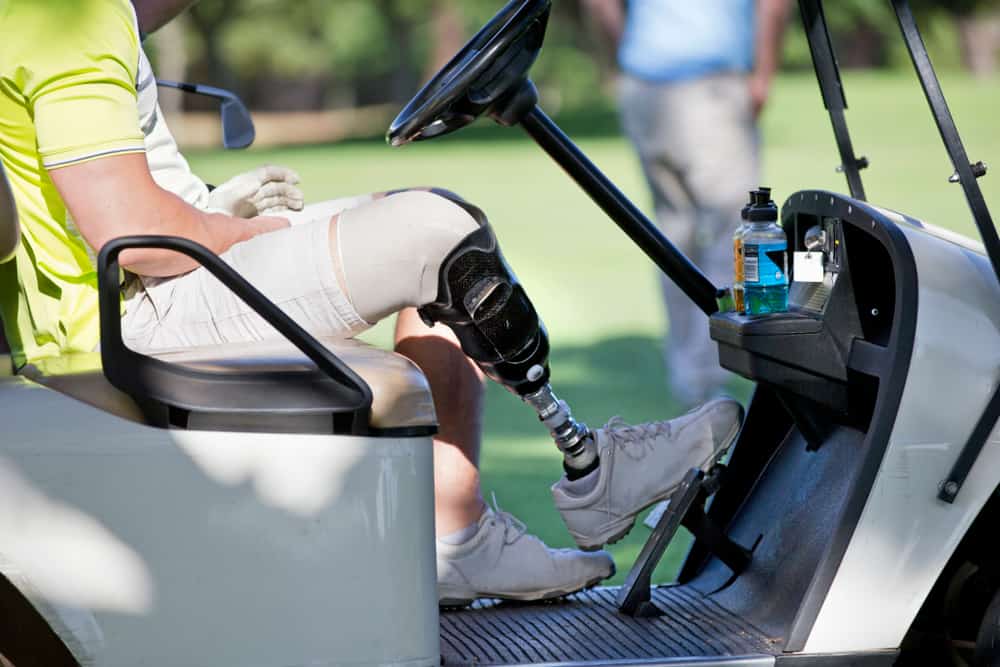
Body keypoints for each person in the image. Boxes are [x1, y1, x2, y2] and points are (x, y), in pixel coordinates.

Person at [0, 0, 742, 606]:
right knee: (434, 227)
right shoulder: (71, 14)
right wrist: (244, 229)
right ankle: (592, 470)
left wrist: (211, 212)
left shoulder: (65, 14)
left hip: (143, 294)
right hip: (130, 318)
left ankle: (459, 535)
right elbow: (133, 235)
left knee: (421, 231)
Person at [584, 0, 791, 406]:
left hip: (644, 85)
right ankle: (708, 373)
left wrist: (624, 54)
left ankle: (688, 371)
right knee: (738, 231)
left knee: (674, 234)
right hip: (709, 87)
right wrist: (764, 73)